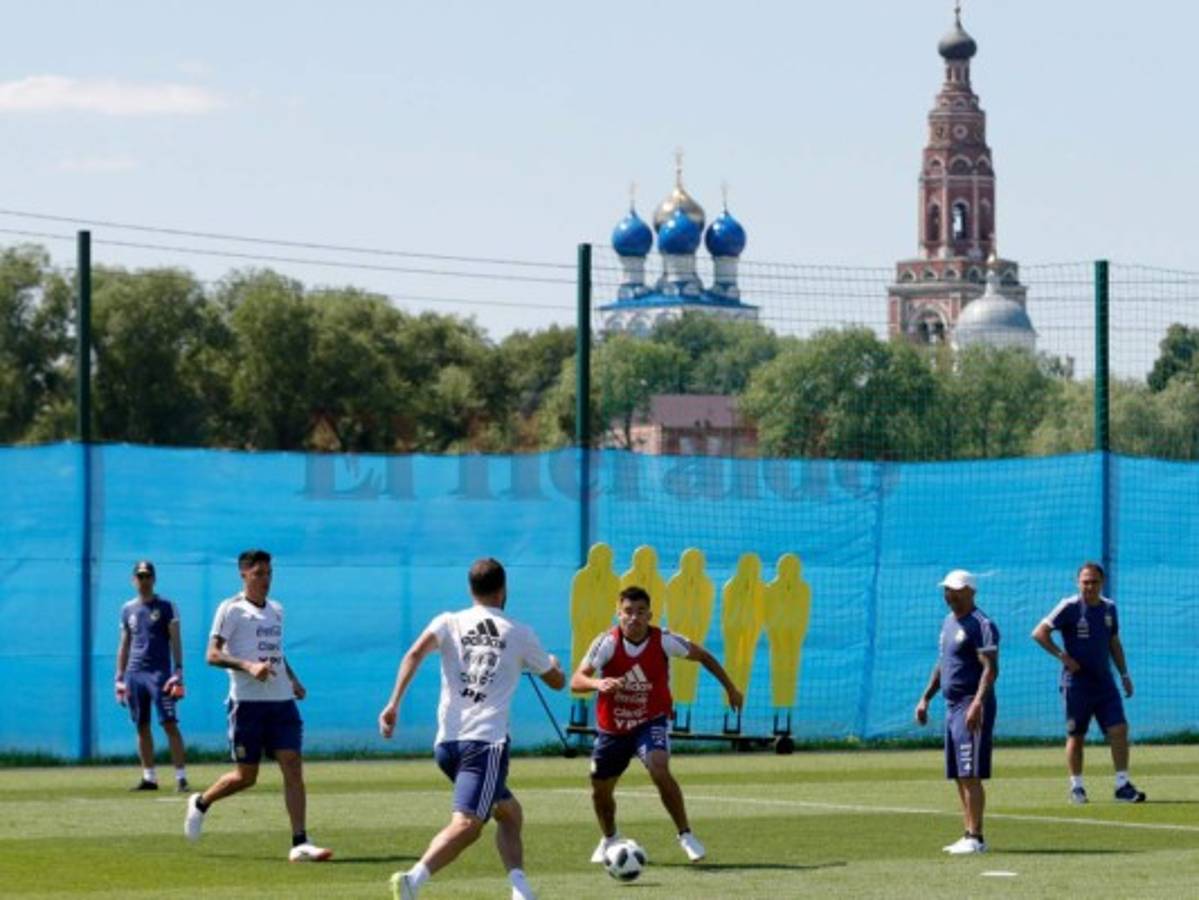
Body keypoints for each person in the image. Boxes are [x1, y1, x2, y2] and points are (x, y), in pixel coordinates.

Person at [379, 558, 565, 900]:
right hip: (485, 744)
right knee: (468, 825)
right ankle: (412, 881)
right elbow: (557, 682)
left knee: (509, 813)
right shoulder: (520, 632)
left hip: (447, 746)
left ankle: (520, 889)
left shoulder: (449, 621)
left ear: (470, 590)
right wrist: (552, 664)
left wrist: (393, 704)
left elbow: (414, 653)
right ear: (503, 589)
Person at [570, 585, 744, 866]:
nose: (634, 618)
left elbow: (703, 656)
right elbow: (576, 680)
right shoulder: (606, 642)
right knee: (600, 790)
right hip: (612, 728)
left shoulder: (663, 640)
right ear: (618, 613)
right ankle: (610, 838)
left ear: (650, 614)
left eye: (641, 612)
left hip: (651, 720)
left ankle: (685, 835)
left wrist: (731, 688)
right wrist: (597, 683)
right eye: (628, 611)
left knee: (658, 766)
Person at [183, 549, 331, 862]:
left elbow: (275, 652)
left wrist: (291, 678)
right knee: (246, 777)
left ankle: (300, 841)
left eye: (269, 573)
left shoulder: (277, 609)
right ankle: (201, 802)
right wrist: (248, 666)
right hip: (247, 705)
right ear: (244, 574)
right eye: (259, 573)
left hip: (281, 702)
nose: (266, 580)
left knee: (292, 765)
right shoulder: (231, 609)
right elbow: (212, 654)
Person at [1032, 561, 1145, 804]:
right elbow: (1039, 633)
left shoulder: (1109, 609)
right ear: (1078, 583)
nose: (1090, 586)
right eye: (1085, 582)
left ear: (1101, 583)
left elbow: (1114, 643)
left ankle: (1122, 785)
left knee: (1119, 730)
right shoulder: (1069, 607)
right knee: (1077, 735)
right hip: (1076, 685)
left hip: (1105, 683)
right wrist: (1063, 656)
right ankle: (1077, 786)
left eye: (1094, 582)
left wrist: (1124, 675)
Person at [914, 569, 999, 855]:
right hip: (951, 707)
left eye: (956, 589)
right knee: (959, 773)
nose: (949, 594)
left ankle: (976, 837)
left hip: (970, 704)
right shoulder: (948, 622)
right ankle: (967, 833)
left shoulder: (981, 624)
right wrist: (925, 698)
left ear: (971, 592)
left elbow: (990, 669)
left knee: (970, 771)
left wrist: (977, 703)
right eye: (947, 589)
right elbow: (943, 664)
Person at [114, 560, 188, 792]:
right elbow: (124, 644)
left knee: (169, 723)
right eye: (140, 576)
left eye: (147, 576)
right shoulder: (128, 609)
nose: (144, 580)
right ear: (133, 580)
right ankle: (149, 778)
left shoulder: (166, 606)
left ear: (154, 579)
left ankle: (181, 777)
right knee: (141, 725)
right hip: (135, 674)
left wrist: (178, 670)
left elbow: (175, 639)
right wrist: (119, 677)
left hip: (160, 674)